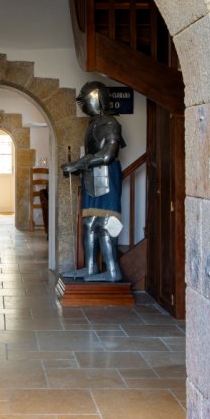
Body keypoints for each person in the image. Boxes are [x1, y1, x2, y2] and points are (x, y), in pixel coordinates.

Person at [62, 81, 125, 282]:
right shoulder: (94, 124)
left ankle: (113, 272)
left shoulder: (110, 124)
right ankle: (91, 268)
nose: (83, 104)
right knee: (89, 224)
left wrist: (77, 165)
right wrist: (77, 167)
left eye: (86, 99)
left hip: (107, 175)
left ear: (96, 98)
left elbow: (107, 155)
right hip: (92, 177)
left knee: (105, 224)